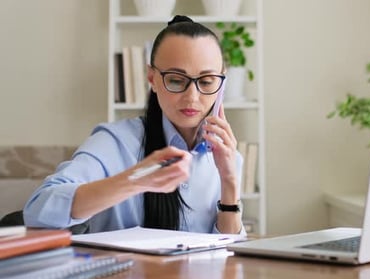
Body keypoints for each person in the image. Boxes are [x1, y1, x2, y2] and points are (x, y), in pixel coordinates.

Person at [23, 15, 245, 235]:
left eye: (206, 82)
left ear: (222, 82)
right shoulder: (114, 142)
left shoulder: (227, 157)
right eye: (176, 80)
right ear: (152, 78)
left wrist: (229, 181)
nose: (192, 97)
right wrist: (135, 180)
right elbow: (38, 210)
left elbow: (229, 252)